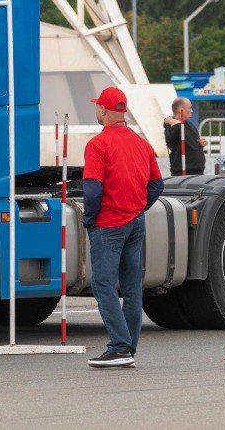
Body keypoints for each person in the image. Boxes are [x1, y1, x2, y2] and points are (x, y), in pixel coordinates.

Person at [82, 86, 164, 369]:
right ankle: (129, 347)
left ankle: (118, 347)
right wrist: (139, 207)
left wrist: (89, 219)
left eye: (97, 107)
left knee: (103, 284)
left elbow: (92, 190)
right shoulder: (141, 143)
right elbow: (157, 184)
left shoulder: (98, 145)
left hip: (108, 224)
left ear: (103, 110)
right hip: (134, 223)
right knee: (131, 289)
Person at [163, 97, 206, 176]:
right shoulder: (173, 127)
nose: (192, 111)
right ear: (180, 109)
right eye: (189, 108)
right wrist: (168, 120)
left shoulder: (189, 124)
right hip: (183, 172)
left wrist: (200, 143)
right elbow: (173, 133)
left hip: (197, 170)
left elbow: (190, 143)